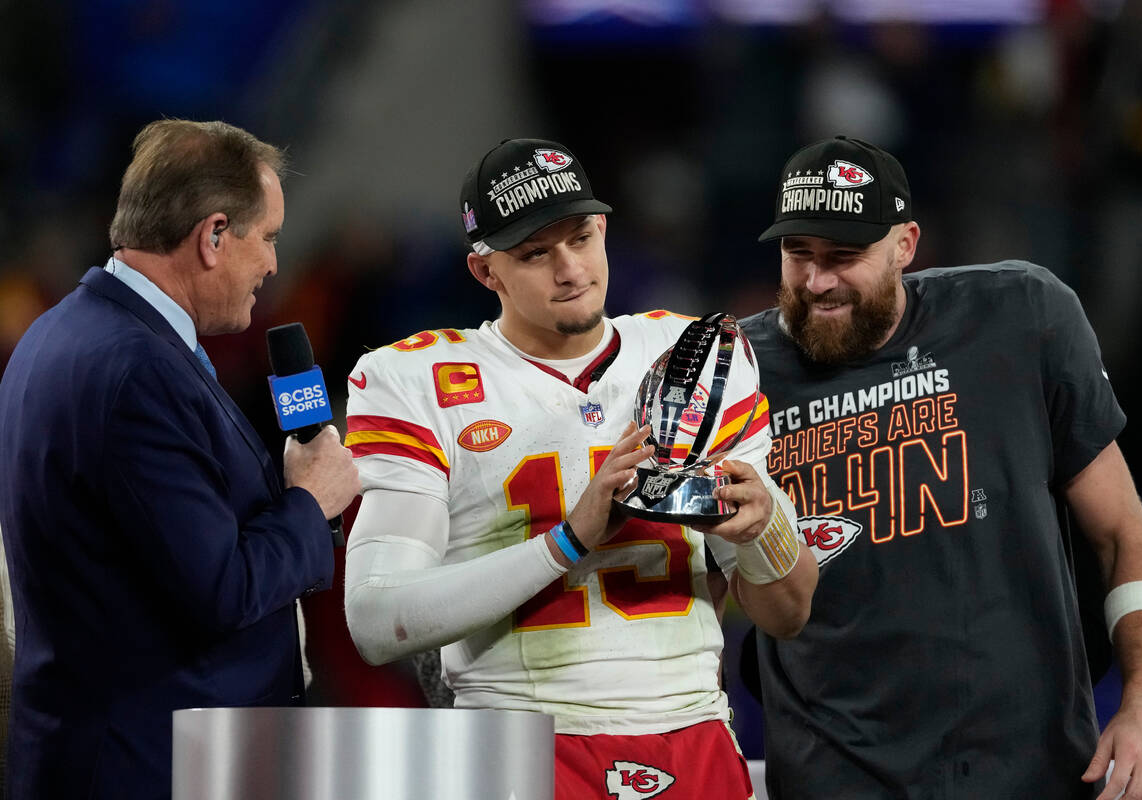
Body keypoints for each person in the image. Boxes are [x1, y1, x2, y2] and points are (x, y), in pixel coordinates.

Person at [342, 137, 818, 799]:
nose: (570, 270)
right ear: (487, 273)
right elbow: (374, 621)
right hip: (517, 742)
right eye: (536, 253)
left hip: (692, 730)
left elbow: (787, 612)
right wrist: (568, 539)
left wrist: (762, 530)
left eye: (582, 238)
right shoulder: (412, 378)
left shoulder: (694, 354)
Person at [742, 135, 1142, 800]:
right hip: (830, 781)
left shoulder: (1022, 317)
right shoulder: (737, 371)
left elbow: (1124, 533)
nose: (817, 280)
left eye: (843, 256)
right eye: (798, 254)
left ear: (906, 245)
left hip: (1028, 775)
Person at [0, 119, 361, 800]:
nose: (275, 265)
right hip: (147, 767)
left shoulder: (66, 332)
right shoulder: (133, 371)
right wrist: (310, 501)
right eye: (270, 238)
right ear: (214, 236)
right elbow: (222, 592)